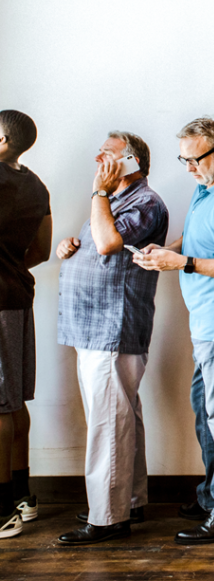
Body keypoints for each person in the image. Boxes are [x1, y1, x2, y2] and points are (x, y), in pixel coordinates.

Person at [134, 117, 214, 545]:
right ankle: (213, 495)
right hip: (204, 321)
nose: (187, 167)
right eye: (183, 159)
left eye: (194, 159)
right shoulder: (205, 188)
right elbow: (194, 240)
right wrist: (164, 252)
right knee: (207, 411)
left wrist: (182, 264)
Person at [55, 132, 168, 545]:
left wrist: (97, 195)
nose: (98, 156)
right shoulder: (112, 199)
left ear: (132, 161)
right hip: (94, 327)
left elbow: (107, 243)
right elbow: (97, 244)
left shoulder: (146, 202)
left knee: (109, 423)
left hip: (112, 328)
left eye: (108, 152)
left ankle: (108, 516)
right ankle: (130, 501)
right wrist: (72, 246)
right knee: (122, 417)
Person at [0, 110, 51, 539]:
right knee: (13, 400)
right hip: (18, 296)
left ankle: (2, 511)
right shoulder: (37, 187)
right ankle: (22, 495)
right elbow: (43, 249)